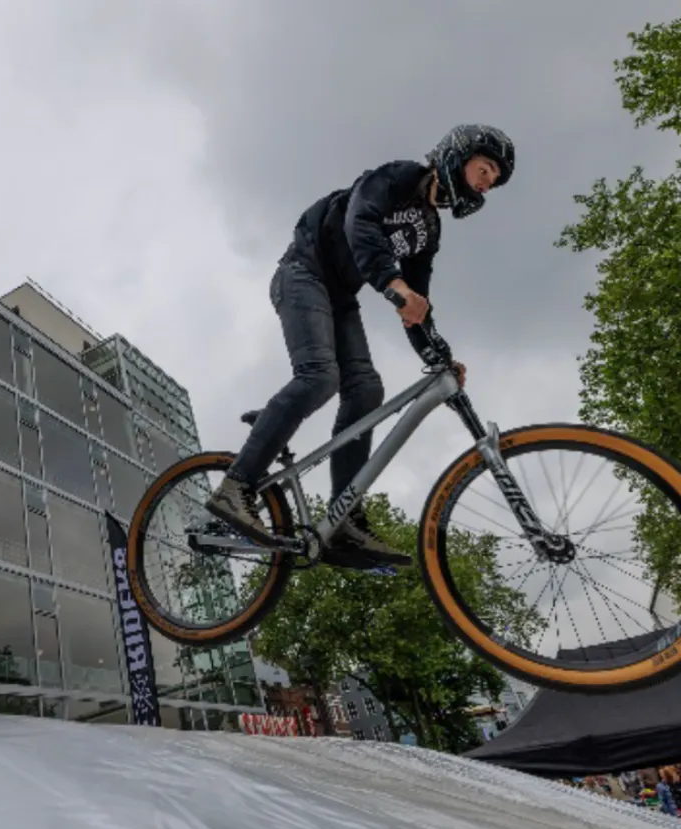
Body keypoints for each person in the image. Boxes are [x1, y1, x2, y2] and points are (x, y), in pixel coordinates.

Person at [205, 124, 515, 569]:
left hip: (340, 296)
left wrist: (438, 355)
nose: (487, 182)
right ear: (457, 155)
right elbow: (359, 222)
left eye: (494, 180)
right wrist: (392, 283)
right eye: (485, 169)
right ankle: (235, 488)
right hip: (303, 273)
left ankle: (343, 519)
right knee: (320, 376)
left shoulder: (429, 230)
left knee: (367, 389)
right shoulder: (396, 177)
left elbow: (417, 302)